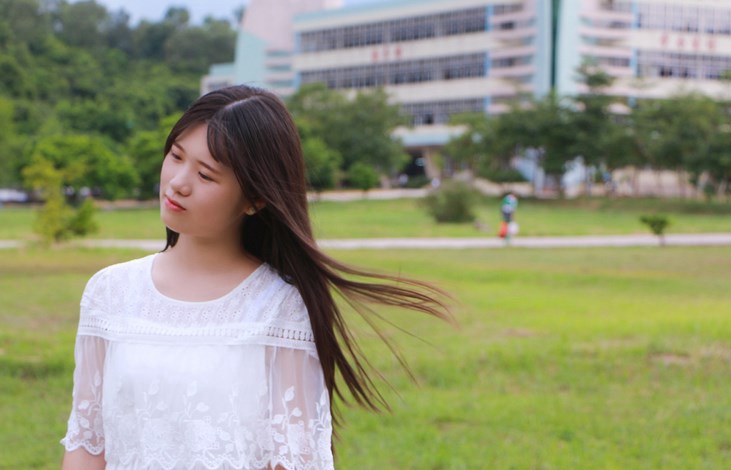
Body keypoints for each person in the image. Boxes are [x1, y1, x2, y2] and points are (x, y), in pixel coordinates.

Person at [60, 86, 449, 470]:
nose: (178, 182)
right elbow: (87, 444)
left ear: (255, 199)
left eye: (206, 175)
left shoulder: (278, 307)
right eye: (176, 155)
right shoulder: (110, 292)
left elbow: (292, 461)